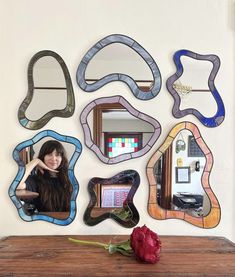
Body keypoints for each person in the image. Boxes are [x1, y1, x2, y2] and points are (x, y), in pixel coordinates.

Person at [17, 140, 72, 213]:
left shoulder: (71, 178)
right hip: (44, 223)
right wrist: (35, 161)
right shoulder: (35, 180)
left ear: (62, 158)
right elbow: (17, 184)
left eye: (57, 155)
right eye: (49, 154)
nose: (53, 158)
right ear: (43, 157)